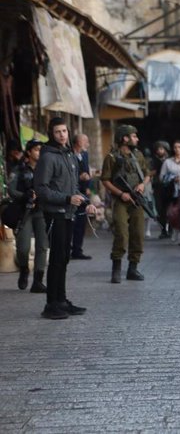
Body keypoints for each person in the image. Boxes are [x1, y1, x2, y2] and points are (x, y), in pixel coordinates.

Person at [34, 117, 91, 319]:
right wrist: (67, 198)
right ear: (51, 133)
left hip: (68, 214)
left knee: (64, 258)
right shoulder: (47, 157)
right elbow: (41, 189)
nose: (62, 135)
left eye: (64, 131)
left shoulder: (69, 155)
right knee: (57, 259)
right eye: (58, 132)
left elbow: (73, 187)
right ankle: (51, 304)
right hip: (54, 214)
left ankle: (61, 300)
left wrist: (85, 202)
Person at [101, 125, 150, 284]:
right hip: (120, 201)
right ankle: (116, 269)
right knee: (121, 234)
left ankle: (132, 268)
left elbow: (147, 175)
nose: (137, 139)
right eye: (134, 136)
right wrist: (121, 193)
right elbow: (105, 180)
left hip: (136, 201)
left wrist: (142, 185)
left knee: (138, 234)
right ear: (125, 138)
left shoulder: (138, 155)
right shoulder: (112, 157)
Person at [8, 140, 47, 292]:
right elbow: (11, 189)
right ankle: (24, 269)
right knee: (23, 248)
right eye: (37, 149)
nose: (40, 152)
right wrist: (25, 196)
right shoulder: (19, 169)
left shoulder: (46, 169)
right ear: (29, 152)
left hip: (42, 211)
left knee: (42, 246)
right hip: (25, 211)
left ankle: (38, 280)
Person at [70, 134, 92, 259]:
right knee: (71, 223)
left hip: (83, 192)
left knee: (81, 222)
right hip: (72, 192)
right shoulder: (70, 155)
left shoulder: (84, 155)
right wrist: (79, 178)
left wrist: (88, 184)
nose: (87, 143)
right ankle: (67, 249)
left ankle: (77, 250)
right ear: (78, 142)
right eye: (85, 141)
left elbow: (86, 170)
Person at [160, 140, 180, 242]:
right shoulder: (168, 162)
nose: (177, 149)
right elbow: (162, 177)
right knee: (174, 212)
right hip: (173, 190)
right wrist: (172, 178)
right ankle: (174, 230)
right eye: (175, 147)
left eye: (179, 147)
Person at [151, 140, 170, 238]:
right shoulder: (154, 160)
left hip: (169, 187)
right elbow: (151, 172)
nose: (159, 151)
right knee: (160, 209)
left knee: (169, 209)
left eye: (162, 149)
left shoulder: (170, 160)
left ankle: (170, 229)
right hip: (158, 186)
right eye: (158, 149)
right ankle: (163, 229)